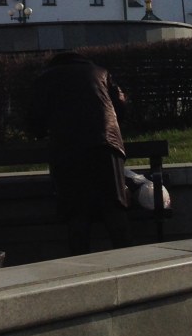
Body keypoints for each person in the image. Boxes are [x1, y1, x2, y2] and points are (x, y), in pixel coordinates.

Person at [28, 51, 131, 255]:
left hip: (68, 150)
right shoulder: (100, 73)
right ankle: (127, 257)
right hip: (106, 146)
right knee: (114, 206)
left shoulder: (46, 78)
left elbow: (35, 121)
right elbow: (121, 105)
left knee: (76, 211)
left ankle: (80, 261)